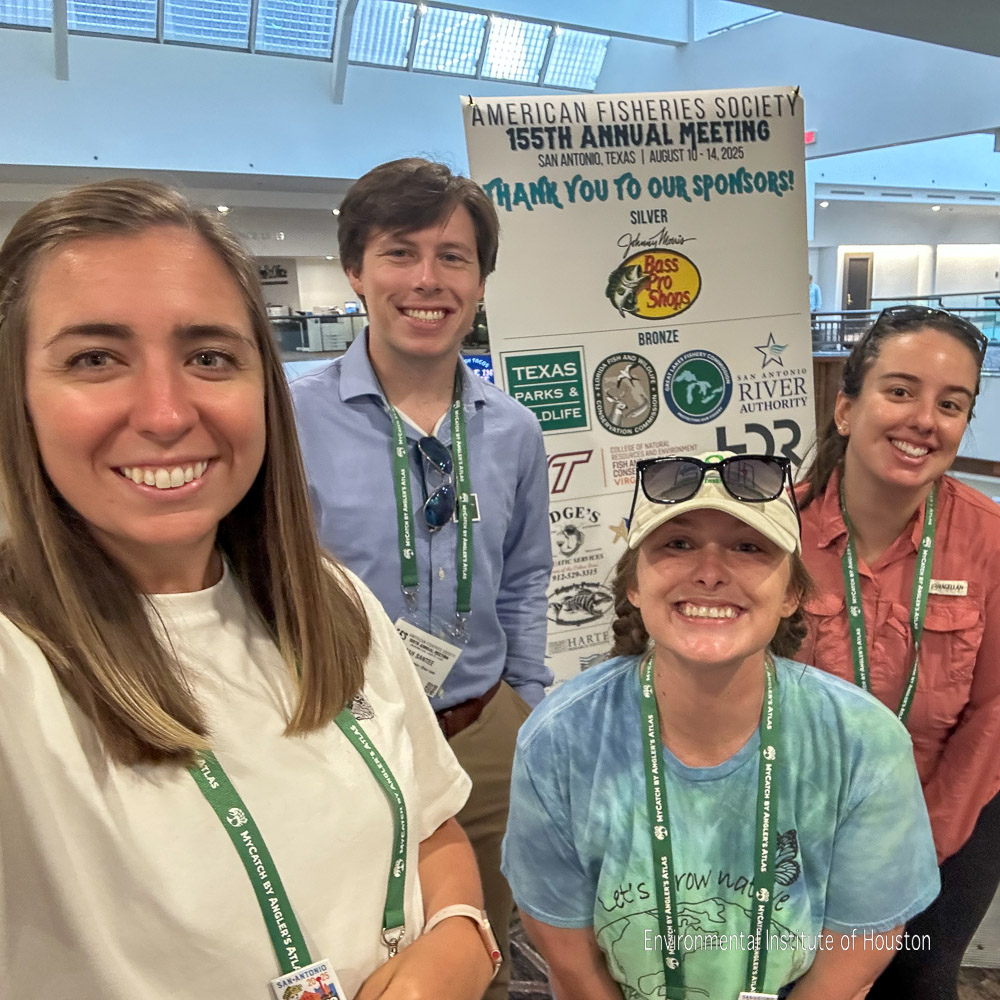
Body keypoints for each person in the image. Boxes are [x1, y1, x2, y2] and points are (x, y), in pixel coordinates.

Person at [0, 179, 500, 998]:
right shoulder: (20, 669)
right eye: (95, 358)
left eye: (208, 356)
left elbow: (430, 822)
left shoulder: (331, 602)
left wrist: (455, 942)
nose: (165, 413)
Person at [502, 451, 940, 1000]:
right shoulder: (559, 740)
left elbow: (858, 946)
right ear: (634, 586)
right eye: (678, 544)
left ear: (792, 594)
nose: (709, 571)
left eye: (748, 546)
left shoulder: (863, 745)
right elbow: (568, 952)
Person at [290, 157, 552, 1000]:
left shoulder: (512, 430)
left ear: (480, 281)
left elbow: (526, 576)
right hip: (339, 735)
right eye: (401, 252)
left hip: (482, 734)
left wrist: (524, 701)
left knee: (481, 950)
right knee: (355, 947)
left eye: (454, 257)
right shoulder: (286, 420)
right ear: (356, 270)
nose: (427, 280)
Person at [796, 305, 1000, 999]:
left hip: (945, 802)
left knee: (915, 975)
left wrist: (925, 837)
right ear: (847, 409)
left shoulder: (989, 541)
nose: (925, 420)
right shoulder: (770, 533)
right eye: (901, 391)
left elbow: (994, 709)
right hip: (795, 816)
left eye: (952, 404)